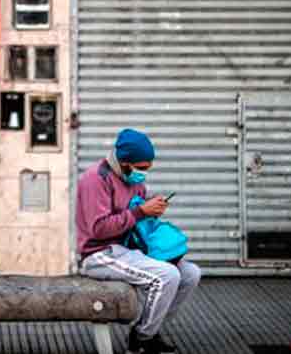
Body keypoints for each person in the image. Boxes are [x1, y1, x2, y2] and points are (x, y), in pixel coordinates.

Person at [76, 128, 201, 354]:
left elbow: (137, 216)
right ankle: (142, 340)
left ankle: (150, 330)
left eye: (147, 168)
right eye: (141, 168)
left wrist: (152, 208)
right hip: (99, 253)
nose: (143, 174)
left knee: (190, 274)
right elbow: (99, 228)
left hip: (129, 249)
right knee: (167, 276)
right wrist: (141, 211)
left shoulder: (136, 182)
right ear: (124, 162)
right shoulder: (96, 178)